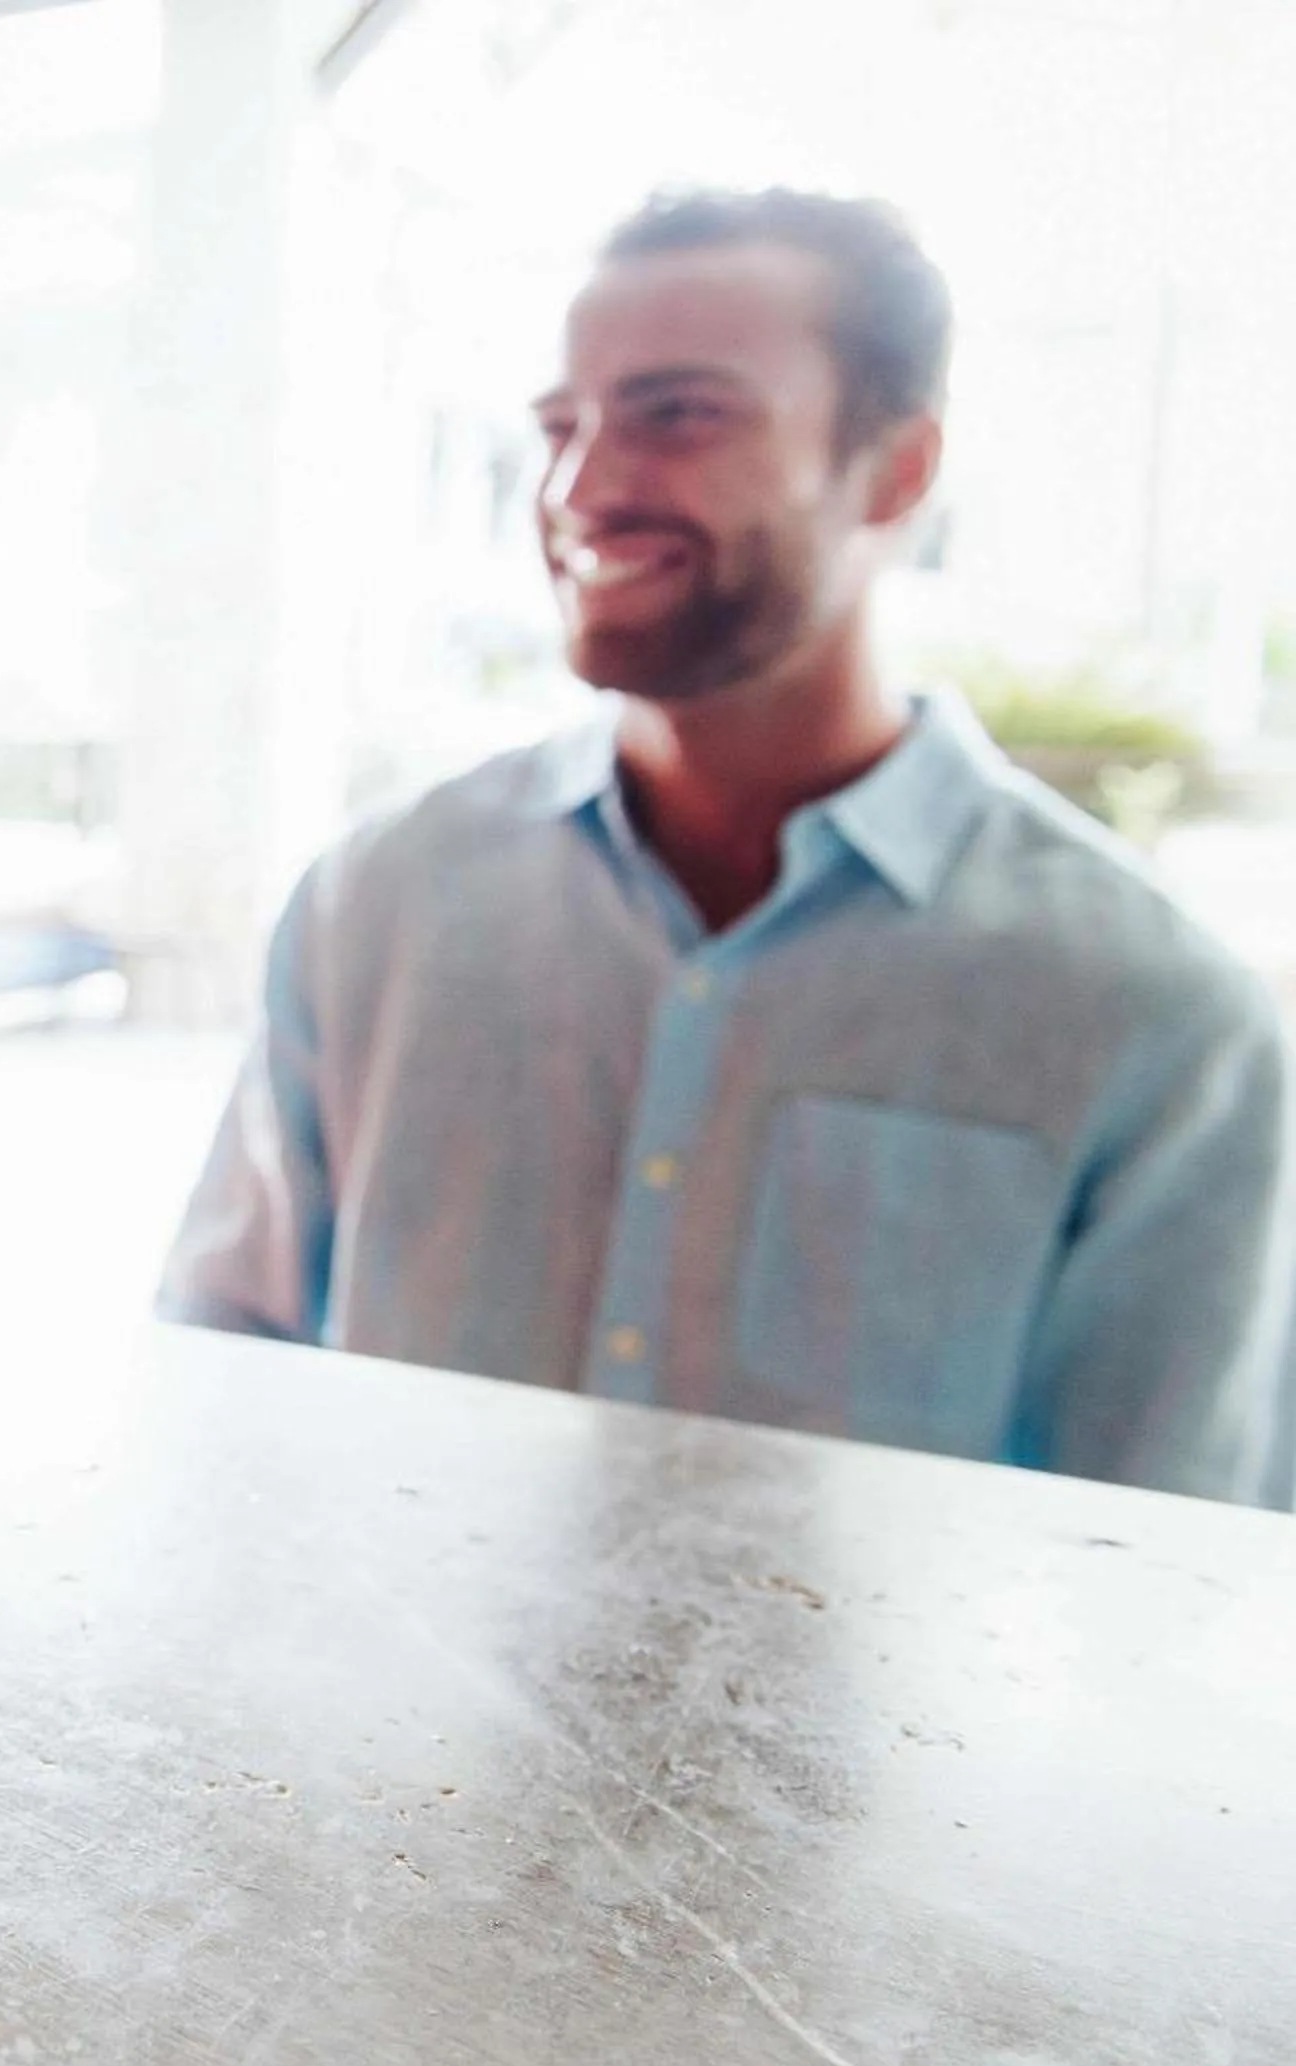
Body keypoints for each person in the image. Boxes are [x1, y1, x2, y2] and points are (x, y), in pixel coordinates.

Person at [161, 187, 1294, 1507]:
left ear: (898, 468)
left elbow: (1167, 1577)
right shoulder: (374, 903)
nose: (580, 486)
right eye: (560, 425)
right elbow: (220, 1386)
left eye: (677, 414)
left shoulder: (1160, 1023)